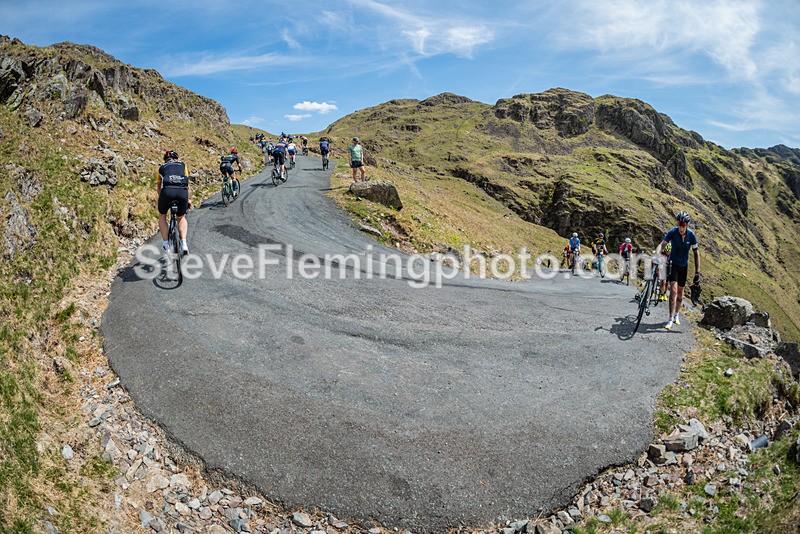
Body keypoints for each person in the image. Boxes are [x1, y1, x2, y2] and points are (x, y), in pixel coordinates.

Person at [655, 210, 700, 330]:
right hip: (674, 264)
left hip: (684, 267)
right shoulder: (673, 231)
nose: (681, 227)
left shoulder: (691, 235)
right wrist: (657, 254)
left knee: (680, 293)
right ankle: (669, 319)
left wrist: (697, 271)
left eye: (683, 225)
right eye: (679, 223)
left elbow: (696, 253)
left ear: (687, 225)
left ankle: (676, 315)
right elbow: (663, 244)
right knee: (673, 291)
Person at [157, 150, 191, 255]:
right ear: (176, 159)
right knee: (181, 217)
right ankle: (184, 243)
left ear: (165, 160)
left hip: (167, 192)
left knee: (162, 215)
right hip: (182, 193)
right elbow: (187, 185)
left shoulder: (161, 168)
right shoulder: (183, 166)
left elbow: (159, 188)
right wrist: (188, 199)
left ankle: (166, 243)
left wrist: (162, 198)